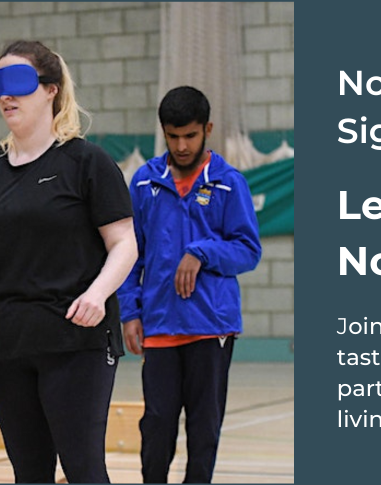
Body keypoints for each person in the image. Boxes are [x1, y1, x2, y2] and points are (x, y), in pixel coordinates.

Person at [0, 40, 136, 484]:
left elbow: (124, 244)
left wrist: (98, 294)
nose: (6, 95)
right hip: (3, 343)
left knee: (83, 470)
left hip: (75, 340)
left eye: (18, 82)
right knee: (29, 473)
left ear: (50, 90)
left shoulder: (87, 162)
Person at [118, 86, 263, 483]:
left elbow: (248, 251)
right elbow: (128, 253)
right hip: (159, 325)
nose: (181, 146)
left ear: (207, 130)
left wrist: (202, 252)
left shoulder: (229, 183)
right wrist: (129, 311)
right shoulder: (144, 183)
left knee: (204, 428)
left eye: (190, 136)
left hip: (211, 326)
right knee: (157, 424)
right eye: (173, 136)